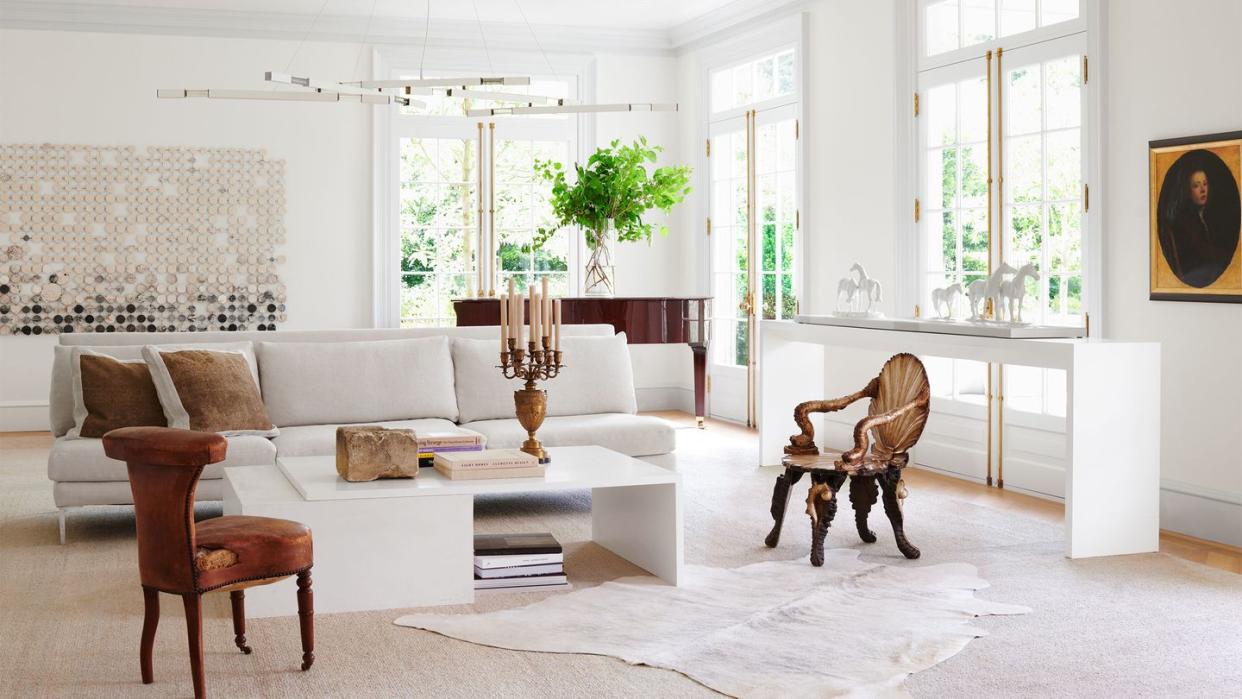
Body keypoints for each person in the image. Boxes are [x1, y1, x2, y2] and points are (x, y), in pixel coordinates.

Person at [1159, 152, 1236, 287]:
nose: (1202, 190)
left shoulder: (1207, 214)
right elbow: (1204, 251)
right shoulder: (1185, 220)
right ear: (1188, 191)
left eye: (1205, 184)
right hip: (1196, 276)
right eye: (1196, 185)